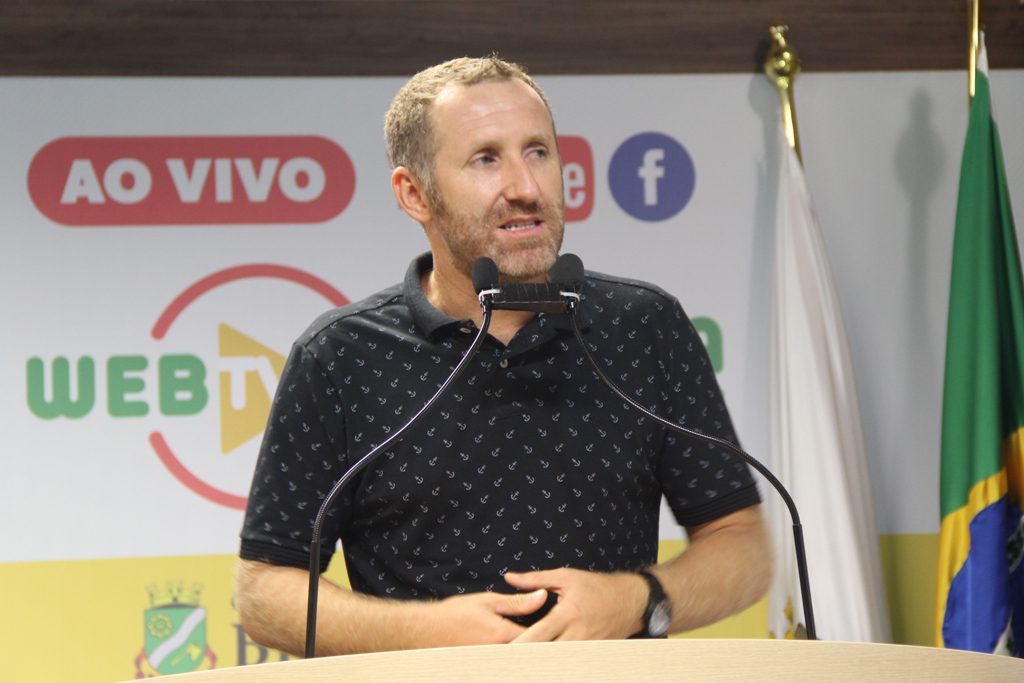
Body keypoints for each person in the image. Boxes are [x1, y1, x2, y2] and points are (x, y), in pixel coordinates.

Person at [236, 56, 771, 657]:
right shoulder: (340, 357)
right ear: (415, 194)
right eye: (486, 159)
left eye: (538, 152)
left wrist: (636, 601)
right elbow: (264, 591)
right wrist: (423, 633)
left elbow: (741, 544)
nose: (525, 187)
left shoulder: (644, 326)